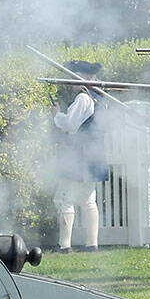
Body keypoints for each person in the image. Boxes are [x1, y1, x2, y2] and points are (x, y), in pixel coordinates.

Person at [51, 59, 109, 253]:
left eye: (75, 75)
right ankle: (92, 244)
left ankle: (64, 246)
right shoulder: (98, 96)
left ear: (86, 77)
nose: (71, 79)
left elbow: (70, 125)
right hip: (92, 153)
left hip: (81, 154)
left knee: (63, 198)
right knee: (87, 200)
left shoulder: (83, 98)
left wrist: (57, 115)